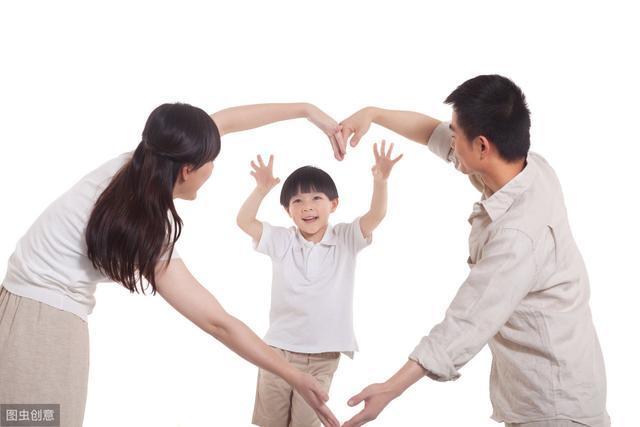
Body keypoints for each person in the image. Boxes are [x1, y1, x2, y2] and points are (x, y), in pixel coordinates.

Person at [0, 102, 345, 427]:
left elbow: (227, 121)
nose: (213, 168)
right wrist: (293, 375)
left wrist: (306, 110)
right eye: (211, 161)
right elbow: (217, 322)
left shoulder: (141, 163)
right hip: (42, 326)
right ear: (187, 169)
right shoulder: (145, 226)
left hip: (32, 312)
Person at [337, 75, 610, 427]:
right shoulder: (530, 168)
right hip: (564, 390)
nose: (450, 140)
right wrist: (373, 113)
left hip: (554, 407)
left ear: (482, 146)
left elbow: (464, 323)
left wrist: (390, 389)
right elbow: (431, 133)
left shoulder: (516, 237)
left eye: (456, 134)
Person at [236, 142, 401, 427]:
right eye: (297, 201)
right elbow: (244, 221)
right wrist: (261, 189)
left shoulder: (346, 238)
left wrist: (381, 181)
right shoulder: (282, 240)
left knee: (305, 422)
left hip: (322, 356)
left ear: (333, 204)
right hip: (277, 352)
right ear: (288, 210)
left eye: (316, 198)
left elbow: (376, 215)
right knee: (270, 422)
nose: (307, 207)